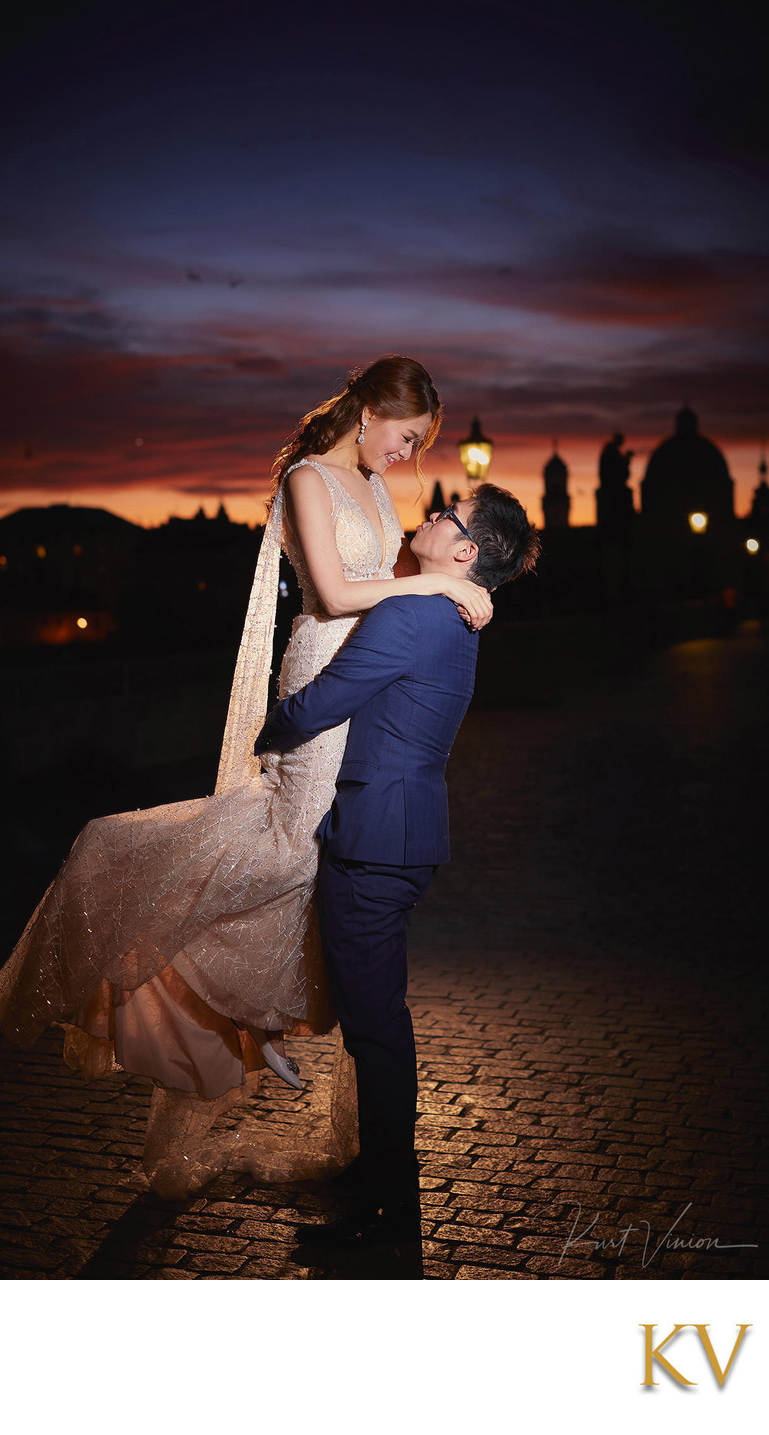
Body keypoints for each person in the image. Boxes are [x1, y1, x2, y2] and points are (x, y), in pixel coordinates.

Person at [0, 355, 493, 1198]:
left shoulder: (373, 486)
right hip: (319, 670)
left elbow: (392, 584)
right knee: (289, 849)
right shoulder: (308, 479)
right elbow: (332, 590)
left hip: (355, 677)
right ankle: (228, 1003)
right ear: (367, 413)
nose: (406, 458)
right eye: (405, 437)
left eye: (415, 445)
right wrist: (439, 578)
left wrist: (460, 583)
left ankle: (255, 1018)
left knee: (317, 861)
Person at [254, 484, 540, 1251]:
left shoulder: (416, 611)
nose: (435, 509)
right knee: (375, 1025)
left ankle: (384, 1209)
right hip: (400, 832)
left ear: (464, 551)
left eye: (449, 511)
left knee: (377, 1030)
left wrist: (264, 724)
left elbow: (320, 705)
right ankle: (379, 1178)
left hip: (378, 839)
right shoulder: (447, 611)